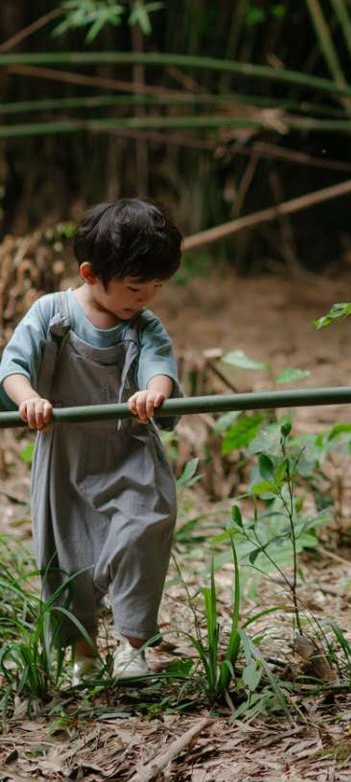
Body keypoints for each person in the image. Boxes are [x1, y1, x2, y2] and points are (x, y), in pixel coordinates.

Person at [0, 198, 183, 685]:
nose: (146, 298)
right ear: (90, 273)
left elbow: (161, 366)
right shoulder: (51, 314)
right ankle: (84, 655)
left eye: (157, 288)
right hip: (66, 457)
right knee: (69, 557)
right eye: (136, 287)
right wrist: (29, 399)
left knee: (145, 527)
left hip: (129, 450)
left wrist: (153, 392)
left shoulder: (142, 326)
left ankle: (132, 647)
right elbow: (12, 366)